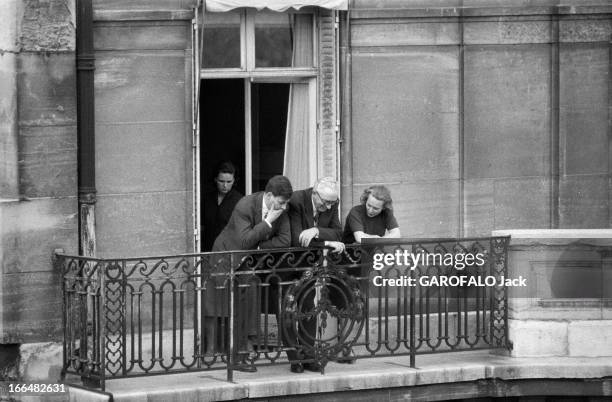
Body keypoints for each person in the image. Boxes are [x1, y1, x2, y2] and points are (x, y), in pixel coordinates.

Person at [204, 175, 293, 372]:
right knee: (215, 299)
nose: (284, 207)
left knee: (250, 293)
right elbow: (244, 241)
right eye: (281, 202)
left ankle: (245, 347)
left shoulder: (282, 210)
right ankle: (209, 349)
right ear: (269, 196)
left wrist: (259, 245)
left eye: (286, 203)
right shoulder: (245, 204)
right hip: (226, 252)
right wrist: (269, 221)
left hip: (247, 258)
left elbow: (285, 241)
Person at [284, 178, 345, 373]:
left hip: (310, 264)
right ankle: (294, 358)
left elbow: (337, 232)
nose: (327, 207)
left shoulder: (331, 202)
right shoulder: (296, 201)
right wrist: (327, 244)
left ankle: (309, 357)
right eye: (324, 202)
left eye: (331, 203)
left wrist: (317, 230)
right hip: (288, 264)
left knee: (309, 308)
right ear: (314, 194)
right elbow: (298, 238)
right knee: (287, 310)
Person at [202, 161, 243, 252]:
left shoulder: (239, 200)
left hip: (228, 251)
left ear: (234, 181)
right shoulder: (207, 198)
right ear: (215, 179)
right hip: (207, 249)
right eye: (221, 181)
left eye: (229, 182)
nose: (225, 185)